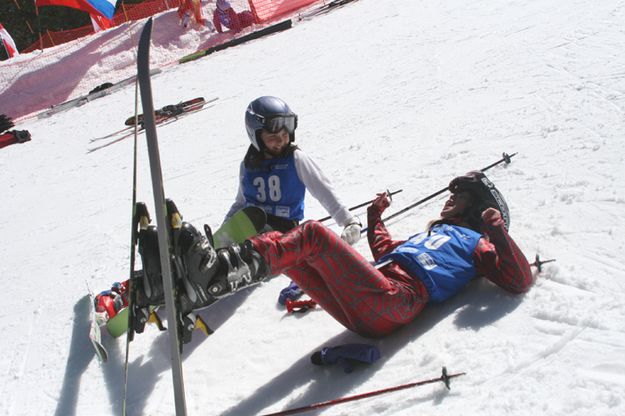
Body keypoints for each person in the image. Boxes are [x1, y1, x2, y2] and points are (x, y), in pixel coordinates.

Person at [136, 171, 533, 338]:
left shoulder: (475, 244)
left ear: (475, 207)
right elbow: (386, 252)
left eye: (457, 196)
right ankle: (193, 287)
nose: (449, 200)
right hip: (377, 299)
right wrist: (375, 216)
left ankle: (213, 270)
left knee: (310, 235)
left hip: (398, 302)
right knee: (290, 246)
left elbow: (519, 280)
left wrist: (497, 233)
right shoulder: (438, 234)